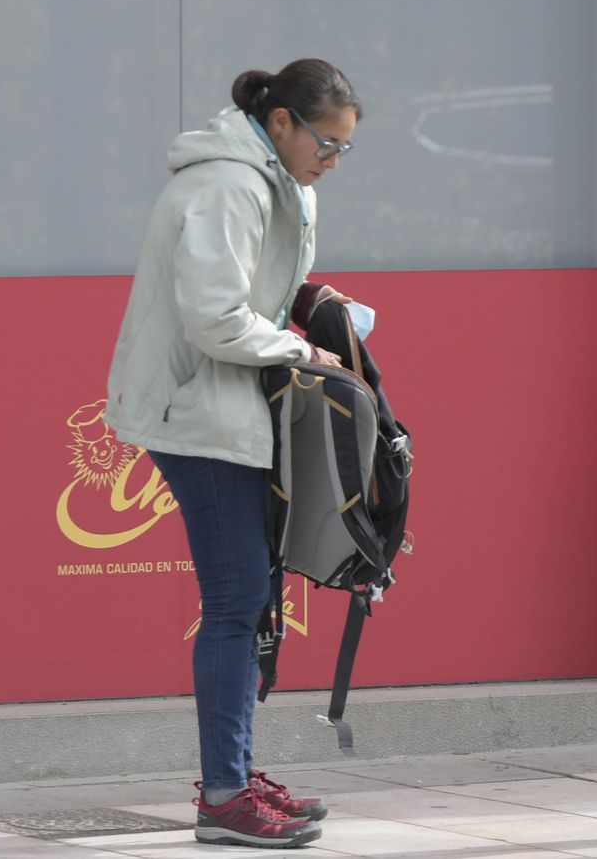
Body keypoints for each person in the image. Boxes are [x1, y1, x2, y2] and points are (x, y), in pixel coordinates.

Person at [105, 59, 363, 849]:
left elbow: (261, 291)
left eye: (346, 148)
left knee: (250, 604)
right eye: (326, 141)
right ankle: (223, 796)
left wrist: (312, 309)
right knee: (236, 604)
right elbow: (215, 317)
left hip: (229, 411)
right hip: (196, 414)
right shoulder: (229, 185)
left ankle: (236, 774)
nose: (333, 159)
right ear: (279, 122)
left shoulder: (281, 181)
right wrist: (300, 350)